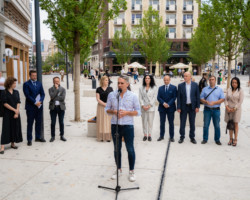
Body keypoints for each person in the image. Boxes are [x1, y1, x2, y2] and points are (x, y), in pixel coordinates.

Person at [105, 75, 141, 182]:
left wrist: (127, 113)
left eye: (122, 83)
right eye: (118, 83)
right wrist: (114, 111)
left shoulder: (133, 96)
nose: (119, 85)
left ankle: (131, 171)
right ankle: (118, 169)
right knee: (116, 149)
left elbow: (138, 112)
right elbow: (107, 109)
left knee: (130, 149)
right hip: (115, 125)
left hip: (128, 126)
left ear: (127, 84)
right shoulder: (112, 95)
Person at [23, 70, 46, 146]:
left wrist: (40, 101)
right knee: (30, 123)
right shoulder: (26, 84)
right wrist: (35, 102)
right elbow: (27, 95)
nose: (34, 77)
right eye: (33, 75)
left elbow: (43, 94)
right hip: (30, 107)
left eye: (35, 75)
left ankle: (38, 137)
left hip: (39, 107)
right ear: (30, 76)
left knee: (38, 123)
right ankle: (29, 139)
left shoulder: (39, 83)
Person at [200, 75, 225, 145]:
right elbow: (201, 98)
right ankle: (205, 139)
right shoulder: (205, 89)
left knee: (217, 125)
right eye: (210, 79)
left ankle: (217, 139)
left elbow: (222, 99)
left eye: (213, 79)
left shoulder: (219, 89)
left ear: (215, 81)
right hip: (207, 109)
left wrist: (214, 102)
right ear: (208, 80)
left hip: (216, 110)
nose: (211, 81)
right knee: (205, 125)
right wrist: (205, 102)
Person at [0, 77, 22, 154]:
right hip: (7, 113)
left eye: (15, 83)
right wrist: (14, 110)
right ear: (9, 84)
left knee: (14, 127)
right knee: (6, 128)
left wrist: (17, 111)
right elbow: (5, 103)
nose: (15, 84)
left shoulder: (16, 92)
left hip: (15, 113)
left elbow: (18, 102)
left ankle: (12, 143)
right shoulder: (4, 92)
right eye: (14, 83)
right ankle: (2, 147)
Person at [177, 72, 200, 144]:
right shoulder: (180, 85)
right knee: (182, 123)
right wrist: (178, 107)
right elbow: (179, 97)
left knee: (192, 123)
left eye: (186, 76)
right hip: (183, 107)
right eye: (184, 76)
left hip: (192, 107)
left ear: (190, 77)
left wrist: (197, 106)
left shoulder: (195, 85)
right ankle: (182, 137)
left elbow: (197, 96)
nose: (185, 77)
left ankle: (192, 137)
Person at [224, 77, 244, 146]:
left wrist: (234, 108)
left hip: (236, 110)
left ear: (238, 83)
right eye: (233, 82)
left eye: (235, 82)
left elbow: (240, 101)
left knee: (235, 124)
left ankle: (235, 139)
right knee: (230, 124)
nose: (234, 84)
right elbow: (225, 99)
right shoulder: (229, 89)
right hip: (228, 109)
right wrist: (227, 106)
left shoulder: (240, 90)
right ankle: (230, 138)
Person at [157, 75, 177, 142]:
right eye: (165, 80)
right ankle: (161, 136)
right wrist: (163, 103)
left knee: (171, 123)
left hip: (171, 108)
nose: (166, 81)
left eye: (167, 80)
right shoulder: (160, 88)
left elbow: (174, 97)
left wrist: (168, 104)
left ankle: (171, 137)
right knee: (162, 123)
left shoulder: (174, 88)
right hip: (162, 108)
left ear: (170, 80)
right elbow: (158, 97)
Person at [139, 75, 157, 141]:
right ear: (144, 79)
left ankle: (149, 134)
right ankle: (145, 134)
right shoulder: (141, 88)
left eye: (148, 78)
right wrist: (143, 105)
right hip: (143, 108)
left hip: (151, 108)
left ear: (151, 79)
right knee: (144, 122)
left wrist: (149, 105)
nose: (147, 79)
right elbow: (140, 98)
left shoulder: (154, 88)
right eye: (146, 78)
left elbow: (154, 98)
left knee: (150, 122)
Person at [49, 77, 67, 142]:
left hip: (61, 107)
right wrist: (56, 90)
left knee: (61, 122)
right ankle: (52, 136)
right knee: (53, 122)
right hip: (53, 107)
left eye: (58, 81)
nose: (57, 82)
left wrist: (55, 97)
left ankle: (62, 135)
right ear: (53, 82)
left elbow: (62, 98)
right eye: (55, 81)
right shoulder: (50, 89)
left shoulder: (63, 89)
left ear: (59, 81)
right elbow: (51, 97)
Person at [96, 76, 113, 142]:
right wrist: (104, 104)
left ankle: (108, 137)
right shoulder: (98, 89)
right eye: (106, 80)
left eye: (108, 80)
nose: (107, 81)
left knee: (108, 121)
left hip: (109, 107)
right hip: (101, 107)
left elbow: (112, 98)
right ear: (102, 81)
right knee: (101, 121)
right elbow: (98, 99)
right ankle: (101, 137)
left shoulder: (110, 88)